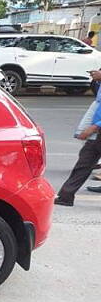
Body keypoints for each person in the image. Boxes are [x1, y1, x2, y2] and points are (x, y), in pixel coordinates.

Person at [55, 69, 101, 205]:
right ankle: (66, 196)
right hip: (97, 131)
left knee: (86, 161)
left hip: (97, 128)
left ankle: (66, 196)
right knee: (85, 161)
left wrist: (95, 127)